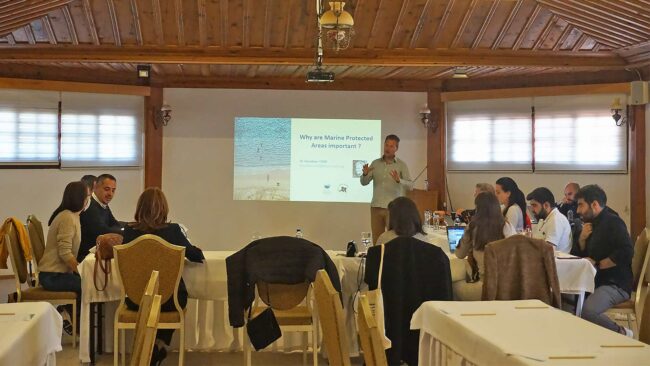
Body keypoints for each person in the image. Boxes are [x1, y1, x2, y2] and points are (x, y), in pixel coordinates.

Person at [122, 187, 205, 363]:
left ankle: (151, 347)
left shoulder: (129, 231)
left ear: (140, 208)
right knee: (177, 297)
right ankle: (158, 344)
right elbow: (196, 257)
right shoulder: (173, 231)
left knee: (156, 301)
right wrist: (196, 248)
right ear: (164, 208)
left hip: (137, 300)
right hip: (169, 301)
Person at [572, 185, 633, 337]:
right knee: (566, 302)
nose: (578, 210)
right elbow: (578, 255)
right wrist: (581, 240)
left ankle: (623, 333)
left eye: (581, 205)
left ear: (594, 204)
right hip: (594, 281)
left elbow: (627, 251)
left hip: (615, 283)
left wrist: (599, 265)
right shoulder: (589, 224)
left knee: (588, 311)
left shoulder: (613, 222)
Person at [39, 181, 89, 334]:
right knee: (87, 284)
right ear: (80, 198)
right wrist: (81, 271)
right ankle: (80, 327)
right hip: (52, 276)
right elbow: (65, 253)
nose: (88, 200)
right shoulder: (67, 217)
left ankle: (70, 315)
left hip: (57, 274)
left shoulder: (72, 216)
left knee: (88, 282)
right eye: (87, 196)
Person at [454, 192, 516, 300]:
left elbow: (459, 254)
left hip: (484, 287)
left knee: (454, 285)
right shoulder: (507, 226)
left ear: (478, 209)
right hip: (508, 286)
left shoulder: (473, 227)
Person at [360, 134, 413, 244]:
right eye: (386, 145)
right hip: (376, 207)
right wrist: (365, 174)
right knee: (377, 239)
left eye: (391, 146)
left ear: (396, 149)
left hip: (393, 209)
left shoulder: (401, 165)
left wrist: (399, 180)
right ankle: (378, 260)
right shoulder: (375, 163)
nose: (387, 148)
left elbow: (411, 186)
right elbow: (363, 183)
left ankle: (391, 260)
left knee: (393, 239)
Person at [78, 174, 123, 262]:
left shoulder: (102, 204)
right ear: (95, 187)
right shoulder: (90, 205)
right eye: (107, 189)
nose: (110, 194)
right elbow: (104, 231)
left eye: (113, 190)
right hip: (86, 258)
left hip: (98, 254)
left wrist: (129, 227)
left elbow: (114, 223)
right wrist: (128, 231)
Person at [526, 187, 572, 253]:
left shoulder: (556, 219)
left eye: (534, 205)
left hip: (556, 261)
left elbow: (549, 250)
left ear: (546, 205)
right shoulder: (543, 219)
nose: (532, 210)